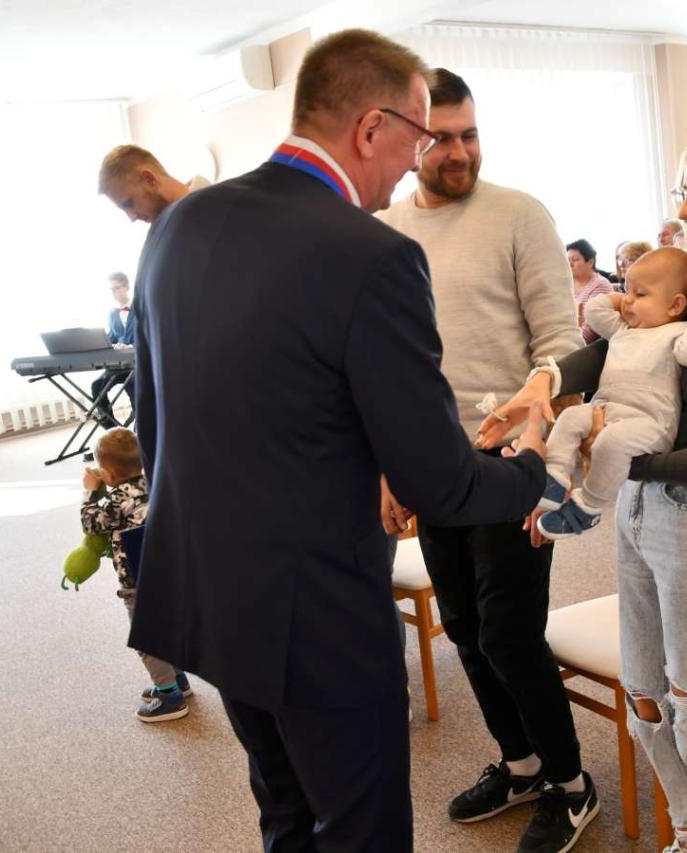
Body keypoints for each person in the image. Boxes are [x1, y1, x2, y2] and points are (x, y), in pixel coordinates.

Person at [126, 30, 549, 852]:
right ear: (371, 127)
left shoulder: (179, 225)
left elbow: (153, 418)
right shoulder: (373, 254)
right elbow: (438, 482)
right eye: (418, 136)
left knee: (284, 812)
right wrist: (534, 466)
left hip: (210, 589)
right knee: (363, 828)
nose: (416, 162)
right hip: (314, 611)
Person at [480, 125, 687, 853]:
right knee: (648, 704)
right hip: (642, 512)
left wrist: (614, 458)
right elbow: (613, 350)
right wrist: (544, 384)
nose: (686, 207)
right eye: (683, 189)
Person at [376, 67, 599, 853]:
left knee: (509, 633)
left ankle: (572, 783)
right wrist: (389, 466)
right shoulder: (386, 231)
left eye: (470, 134)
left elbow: (562, 346)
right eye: (441, 138)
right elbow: (387, 365)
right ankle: (524, 763)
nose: (460, 151)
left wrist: (544, 455)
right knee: (466, 628)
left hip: (512, 459)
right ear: (407, 140)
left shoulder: (518, 214)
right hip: (433, 462)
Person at [537, 248, 687, 538]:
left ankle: (589, 506)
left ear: (675, 305)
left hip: (649, 422)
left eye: (640, 294)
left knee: (611, 442)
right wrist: (625, 297)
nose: (628, 300)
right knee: (569, 417)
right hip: (605, 409)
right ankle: (554, 476)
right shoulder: (623, 330)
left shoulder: (678, 331)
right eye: (626, 290)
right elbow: (594, 310)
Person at [80, 428, 189, 721]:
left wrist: (89, 492)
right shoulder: (152, 483)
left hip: (137, 582)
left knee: (148, 638)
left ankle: (169, 696)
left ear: (107, 474)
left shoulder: (115, 501)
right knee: (167, 628)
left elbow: (91, 523)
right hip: (168, 573)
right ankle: (177, 679)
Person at [98, 144, 209, 224]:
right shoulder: (170, 237)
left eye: (129, 204)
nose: (132, 218)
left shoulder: (216, 208)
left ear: (149, 179)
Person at [89, 272, 136, 427]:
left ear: (126, 286)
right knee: (97, 386)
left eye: (116, 288)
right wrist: (107, 344)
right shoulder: (112, 313)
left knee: (136, 389)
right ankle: (113, 430)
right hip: (118, 365)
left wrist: (131, 346)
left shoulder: (141, 308)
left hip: (139, 364)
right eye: (111, 290)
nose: (114, 293)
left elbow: (150, 335)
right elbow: (113, 337)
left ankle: (140, 432)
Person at [567, 238, 616, 342]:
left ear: (590, 262)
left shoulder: (600, 286)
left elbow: (588, 334)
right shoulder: (567, 283)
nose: (569, 264)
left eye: (574, 260)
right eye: (567, 260)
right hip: (567, 337)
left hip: (583, 345)